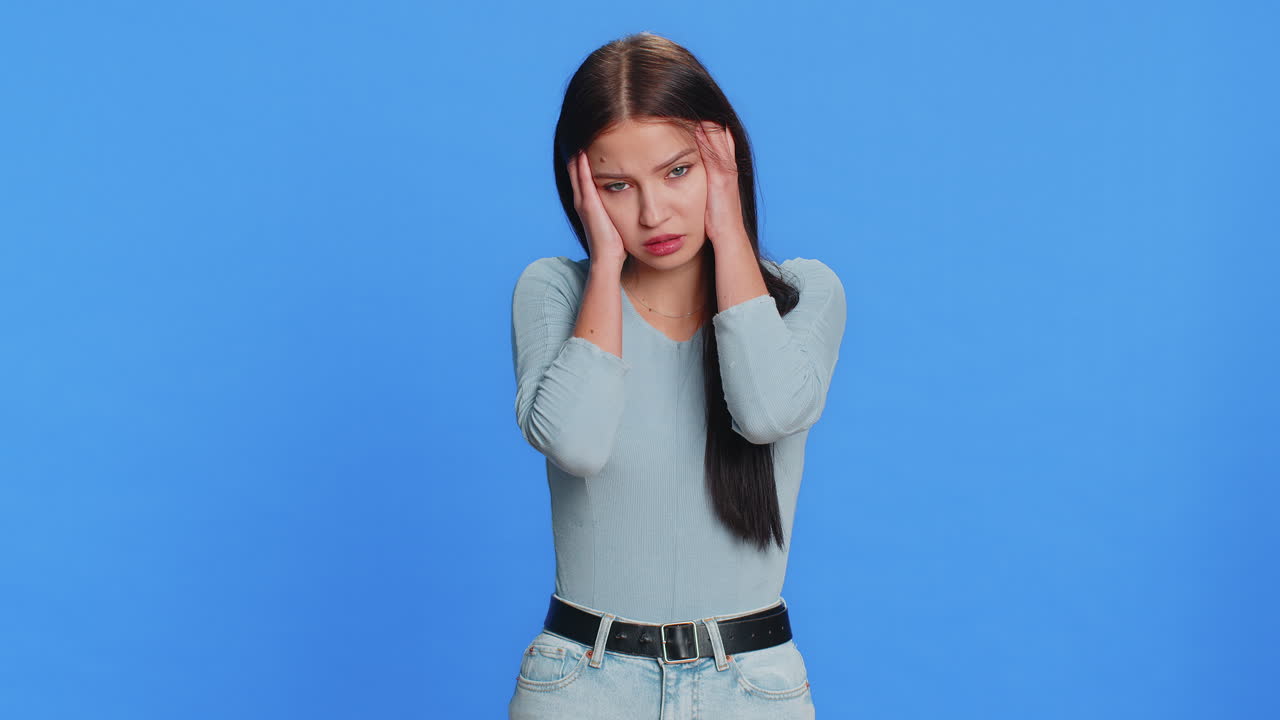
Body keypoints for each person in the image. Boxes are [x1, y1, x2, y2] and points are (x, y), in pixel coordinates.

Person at [507, 31, 846, 719]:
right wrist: (604, 267)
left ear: (723, 159)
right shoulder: (553, 292)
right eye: (616, 186)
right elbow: (577, 442)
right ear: (582, 190)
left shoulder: (805, 293)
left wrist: (728, 228)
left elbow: (765, 412)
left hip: (752, 689)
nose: (653, 214)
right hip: (584, 684)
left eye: (678, 172)